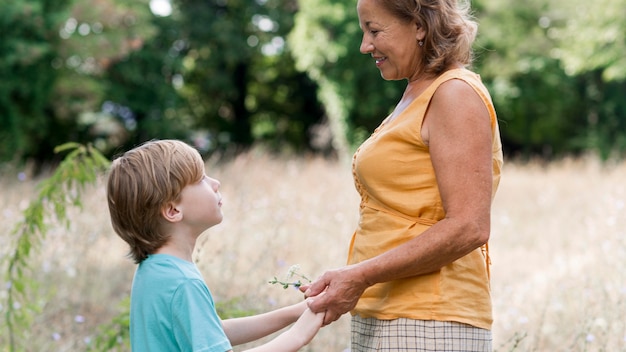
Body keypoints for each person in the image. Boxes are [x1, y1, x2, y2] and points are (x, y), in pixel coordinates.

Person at [301, 0, 503, 351]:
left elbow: (469, 225)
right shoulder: (417, 91)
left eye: (375, 31)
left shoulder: (454, 93)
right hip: (389, 310)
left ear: (420, 26)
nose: (365, 45)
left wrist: (360, 275)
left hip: (429, 319)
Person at [106, 139, 324, 352]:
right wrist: (298, 335)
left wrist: (298, 311)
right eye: (200, 179)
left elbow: (214, 332)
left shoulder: (155, 270)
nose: (215, 183)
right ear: (173, 210)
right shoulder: (183, 283)